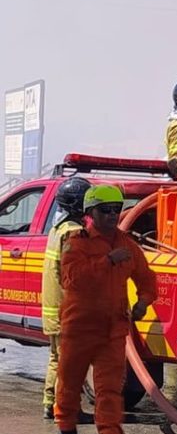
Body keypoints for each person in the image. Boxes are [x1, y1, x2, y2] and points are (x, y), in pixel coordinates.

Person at [55, 184, 156, 434]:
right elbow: (73, 280)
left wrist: (144, 302)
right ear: (90, 213)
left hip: (113, 330)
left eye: (117, 209)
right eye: (106, 210)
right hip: (79, 328)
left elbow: (147, 279)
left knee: (110, 390)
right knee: (70, 382)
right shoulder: (77, 242)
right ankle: (66, 425)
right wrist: (106, 261)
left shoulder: (127, 245)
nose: (113, 215)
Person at [41, 176, 91, 420]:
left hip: (54, 309)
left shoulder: (57, 229)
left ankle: (50, 403)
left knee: (56, 358)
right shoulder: (74, 232)